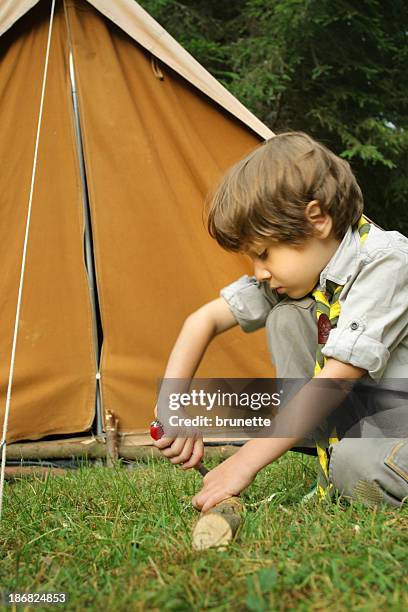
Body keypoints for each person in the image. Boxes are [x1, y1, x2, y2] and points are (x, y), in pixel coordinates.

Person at [152, 131, 408, 511]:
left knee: (357, 466)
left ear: (316, 219)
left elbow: (337, 380)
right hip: (376, 423)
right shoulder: (306, 272)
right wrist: (172, 407)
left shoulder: (387, 262)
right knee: (288, 315)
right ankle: (343, 460)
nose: (260, 272)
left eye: (264, 254)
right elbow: (202, 321)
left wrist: (243, 462)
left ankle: (356, 466)